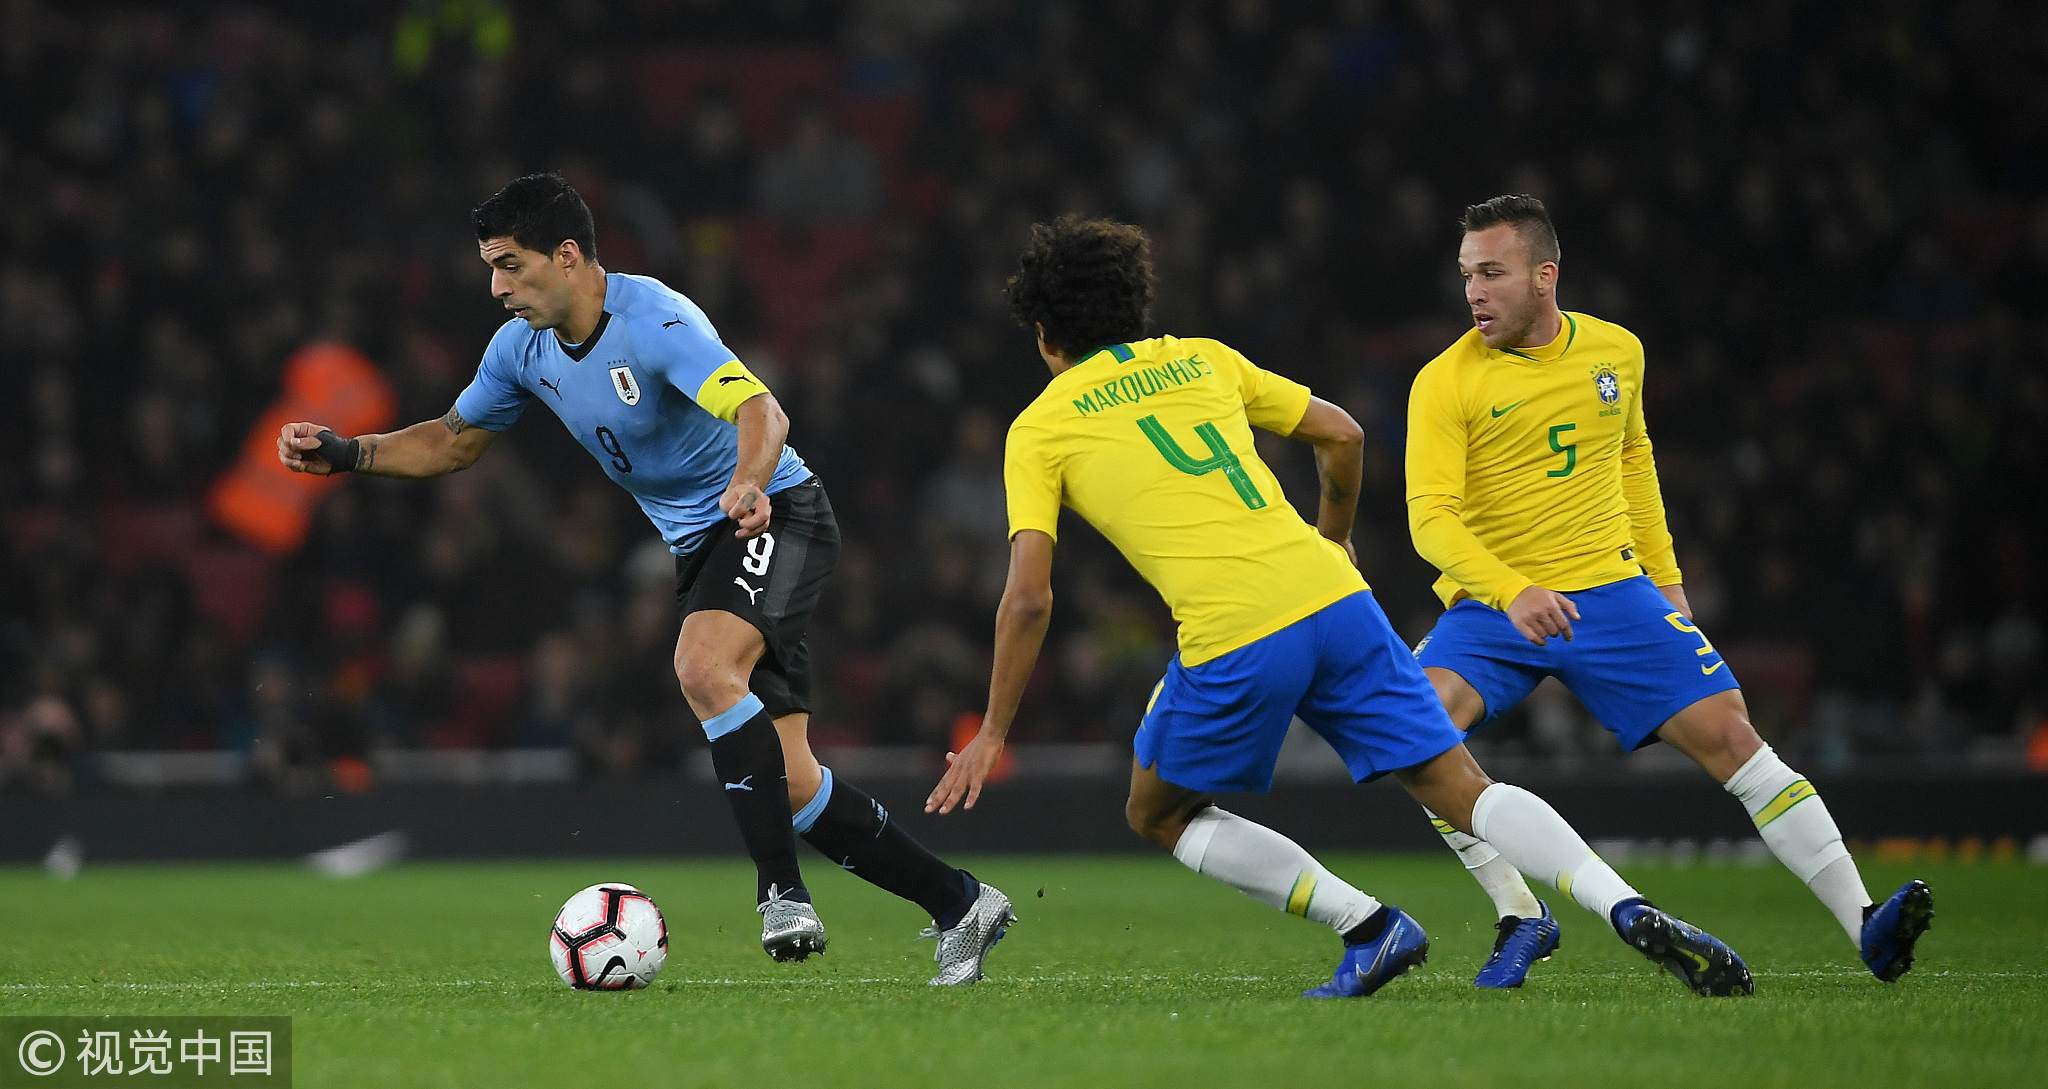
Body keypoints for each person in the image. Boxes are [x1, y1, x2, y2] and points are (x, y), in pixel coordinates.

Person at [926, 214, 1751, 998]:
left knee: (1156, 807)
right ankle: (1623, 905)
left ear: (1044, 336)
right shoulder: (1204, 359)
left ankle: (1366, 924)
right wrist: (1333, 537)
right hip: (1340, 601)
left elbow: (1029, 597)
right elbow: (1345, 434)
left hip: (1238, 629)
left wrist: (993, 730)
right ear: (1133, 305)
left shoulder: (1039, 428)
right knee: (1458, 784)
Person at [277, 173, 1013, 985]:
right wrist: (347, 453)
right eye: (491, 267)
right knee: (796, 785)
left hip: (774, 514)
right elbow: (452, 440)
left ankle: (781, 893)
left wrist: (748, 481)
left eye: (511, 264)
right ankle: (961, 904)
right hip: (704, 549)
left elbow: (762, 412)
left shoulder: (656, 321)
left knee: (700, 665)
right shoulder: (518, 349)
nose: (496, 286)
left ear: (567, 256)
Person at [1403, 193, 1932, 988]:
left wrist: (1670, 581)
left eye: (1493, 273)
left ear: (1545, 276)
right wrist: (1512, 590)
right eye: (1467, 275)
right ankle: (1521, 911)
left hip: (1614, 593)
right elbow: (1430, 520)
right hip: (1493, 604)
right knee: (1416, 733)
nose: (1474, 291)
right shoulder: (1443, 383)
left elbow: (1633, 462)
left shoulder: (1617, 352)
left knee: (1735, 739)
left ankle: (1866, 922)